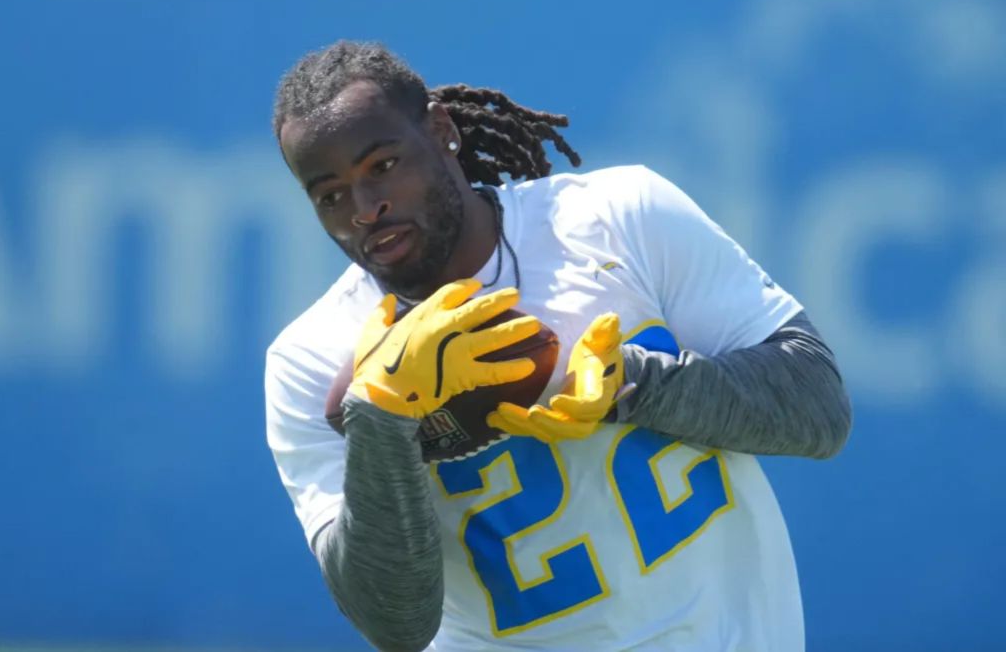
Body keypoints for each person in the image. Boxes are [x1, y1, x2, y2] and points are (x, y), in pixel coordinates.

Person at [265, 41, 851, 652]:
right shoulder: (309, 360)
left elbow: (819, 409)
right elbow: (395, 624)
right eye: (330, 195)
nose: (365, 210)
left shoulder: (619, 216)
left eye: (383, 165)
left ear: (441, 131)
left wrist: (631, 384)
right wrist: (382, 420)